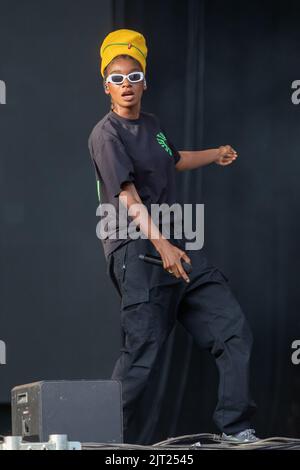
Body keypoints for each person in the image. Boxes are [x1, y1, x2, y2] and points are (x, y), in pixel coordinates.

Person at [88, 29, 258, 444]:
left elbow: (174, 159)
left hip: (175, 245)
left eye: (133, 75)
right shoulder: (106, 134)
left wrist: (215, 154)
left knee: (231, 328)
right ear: (105, 85)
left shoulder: (152, 125)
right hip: (137, 249)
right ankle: (96, 438)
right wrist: (161, 244)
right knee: (142, 354)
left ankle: (237, 429)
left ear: (145, 81)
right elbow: (127, 197)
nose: (125, 85)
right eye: (115, 77)